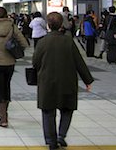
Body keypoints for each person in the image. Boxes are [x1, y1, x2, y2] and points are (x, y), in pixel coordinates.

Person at [33, 12, 94, 150]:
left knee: (48, 111)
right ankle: (61, 135)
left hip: (47, 81)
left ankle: (51, 140)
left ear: (48, 25)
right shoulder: (68, 41)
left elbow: (35, 62)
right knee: (67, 109)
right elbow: (79, 62)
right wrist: (87, 80)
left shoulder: (42, 42)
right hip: (67, 81)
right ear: (61, 25)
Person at [0, 7, 29, 128]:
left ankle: (3, 117)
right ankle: (5, 112)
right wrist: (14, 50)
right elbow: (24, 43)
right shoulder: (12, 26)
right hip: (10, 62)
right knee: (6, 86)